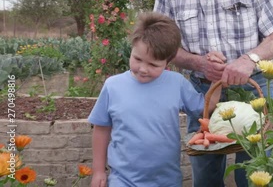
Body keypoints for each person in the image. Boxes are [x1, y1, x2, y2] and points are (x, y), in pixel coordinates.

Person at [153, 0, 273, 186]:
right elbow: (162, 49)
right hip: (202, 95)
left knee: (254, 173)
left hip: (254, 91)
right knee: (205, 176)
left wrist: (249, 60)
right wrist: (198, 62)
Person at [88, 12, 221, 187]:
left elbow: (207, 107)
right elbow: (101, 129)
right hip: (123, 180)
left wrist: (217, 76)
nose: (143, 69)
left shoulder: (177, 84)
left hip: (167, 180)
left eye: (153, 65)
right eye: (137, 59)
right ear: (132, 47)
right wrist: (98, 171)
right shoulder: (113, 86)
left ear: (169, 61)